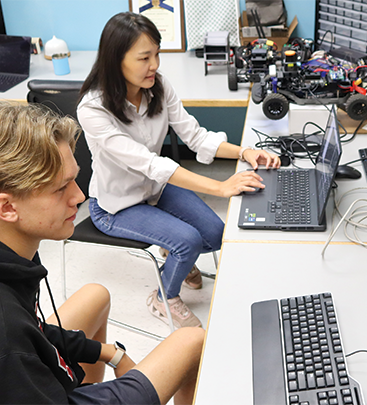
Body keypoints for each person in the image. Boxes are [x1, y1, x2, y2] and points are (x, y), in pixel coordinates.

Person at [0, 100, 204, 405]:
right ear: (6, 207)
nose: (79, 197)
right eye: (61, 189)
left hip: (7, 380)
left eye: (75, 179)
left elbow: (31, 329)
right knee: (192, 341)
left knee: (95, 295)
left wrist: (110, 353)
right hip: (10, 379)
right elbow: (12, 338)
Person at [77, 12, 281, 328]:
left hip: (155, 190)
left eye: (156, 55)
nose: (155, 65)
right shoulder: (93, 109)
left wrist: (245, 151)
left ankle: (175, 255)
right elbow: (150, 163)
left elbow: (196, 136)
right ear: (116, 60)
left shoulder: (157, 86)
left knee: (214, 235)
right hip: (117, 206)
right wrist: (221, 187)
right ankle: (163, 296)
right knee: (188, 241)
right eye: (144, 57)